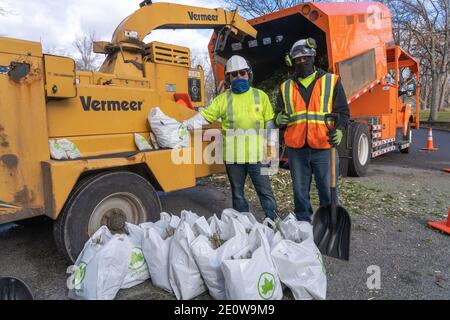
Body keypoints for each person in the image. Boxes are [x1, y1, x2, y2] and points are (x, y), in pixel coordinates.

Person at [183, 55, 278, 220]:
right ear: (229, 77)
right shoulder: (222, 100)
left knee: (265, 192)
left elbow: (269, 125)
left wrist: (272, 153)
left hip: (259, 157)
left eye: (242, 73)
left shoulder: (260, 96)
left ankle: (273, 221)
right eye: (235, 74)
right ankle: (243, 225)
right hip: (234, 158)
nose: (239, 77)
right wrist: (182, 125)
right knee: (238, 195)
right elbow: (204, 117)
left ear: (249, 74)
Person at [274, 38, 350, 223]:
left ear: (313, 57)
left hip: (324, 147)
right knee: (299, 190)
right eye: (298, 59)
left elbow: (343, 112)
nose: (302, 62)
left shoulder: (331, 81)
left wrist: (339, 130)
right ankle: (303, 222)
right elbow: (278, 113)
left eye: (306, 58)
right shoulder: (285, 87)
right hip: (296, 149)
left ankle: (328, 223)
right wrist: (277, 119)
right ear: (291, 61)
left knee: (327, 188)